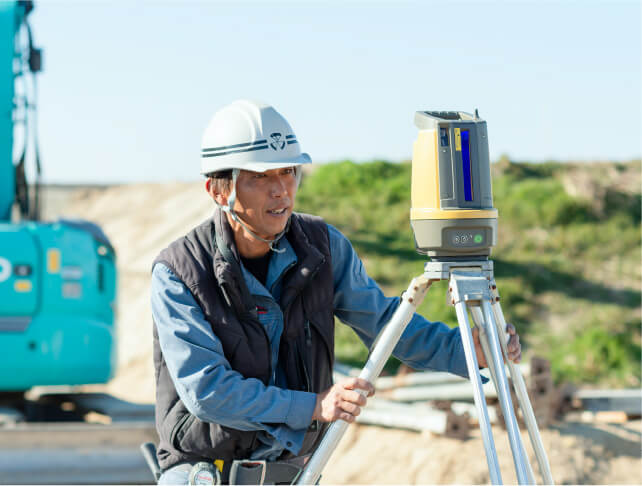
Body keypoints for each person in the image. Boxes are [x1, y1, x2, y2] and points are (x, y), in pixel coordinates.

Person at [151, 100, 521, 485]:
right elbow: (208, 391)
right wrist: (312, 406)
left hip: (294, 470)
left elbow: (386, 324)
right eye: (260, 177)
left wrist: (468, 349)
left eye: (289, 172)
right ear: (217, 189)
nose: (281, 190)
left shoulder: (323, 248)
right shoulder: (179, 272)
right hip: (204, 471)